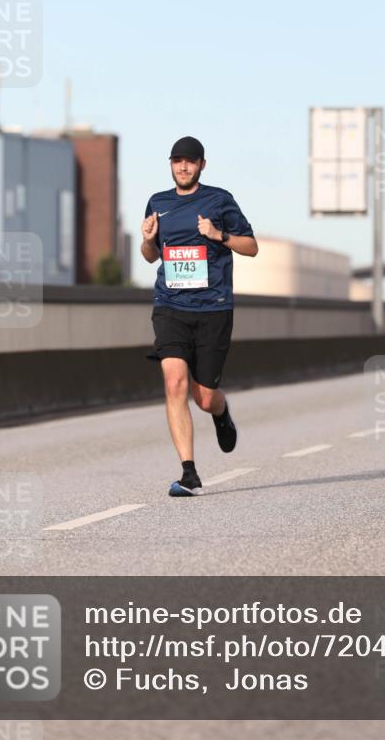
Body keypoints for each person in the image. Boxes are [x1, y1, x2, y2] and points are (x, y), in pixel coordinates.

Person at [141, 136, 258, 497]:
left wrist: (218, 235)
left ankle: (221, 413)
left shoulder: (219, 200)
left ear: (201, 165)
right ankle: (189, 473)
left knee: (204, 397)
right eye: (177, 161)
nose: (183, 167)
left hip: (213, 308)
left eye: (190, 161)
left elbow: (251, 246)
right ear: (171, 164)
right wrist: (147, 240)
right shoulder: (157, 202)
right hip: (170, 305)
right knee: (174, 382)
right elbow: (151, 255)